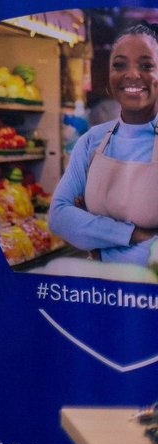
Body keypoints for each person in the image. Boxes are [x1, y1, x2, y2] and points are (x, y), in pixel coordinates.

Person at [48, 25, 158, 266]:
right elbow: (58, 216)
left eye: (146, 65)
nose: (131, 74)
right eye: (120, 65)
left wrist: (98, 243)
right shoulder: (92, 140)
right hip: (101, 290)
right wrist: (132, 234)